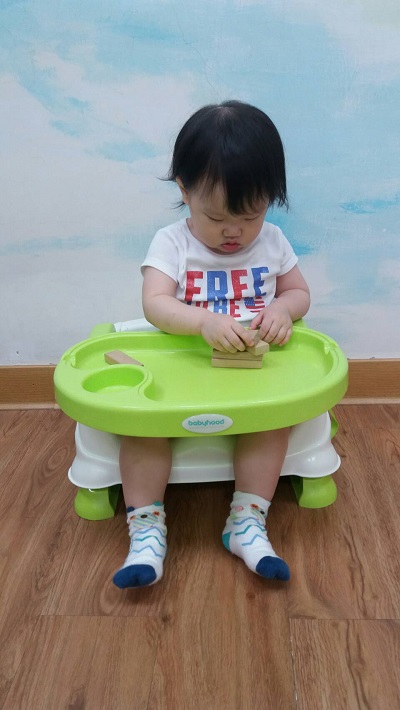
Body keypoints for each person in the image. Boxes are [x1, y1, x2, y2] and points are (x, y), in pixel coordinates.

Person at [113, 100, 310, 589]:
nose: (233, 232)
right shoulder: (172, 243)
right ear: (185, 191)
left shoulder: (273, 242)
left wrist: (282, 309)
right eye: (217, 217)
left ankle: (246, 521)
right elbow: (156, 304)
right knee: (140, 427)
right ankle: (146, 529)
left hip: (250, 374)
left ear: (269, 199)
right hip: (185, 368)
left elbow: (299, 293)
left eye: (251, 215)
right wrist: (201, 321)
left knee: (273, 423)